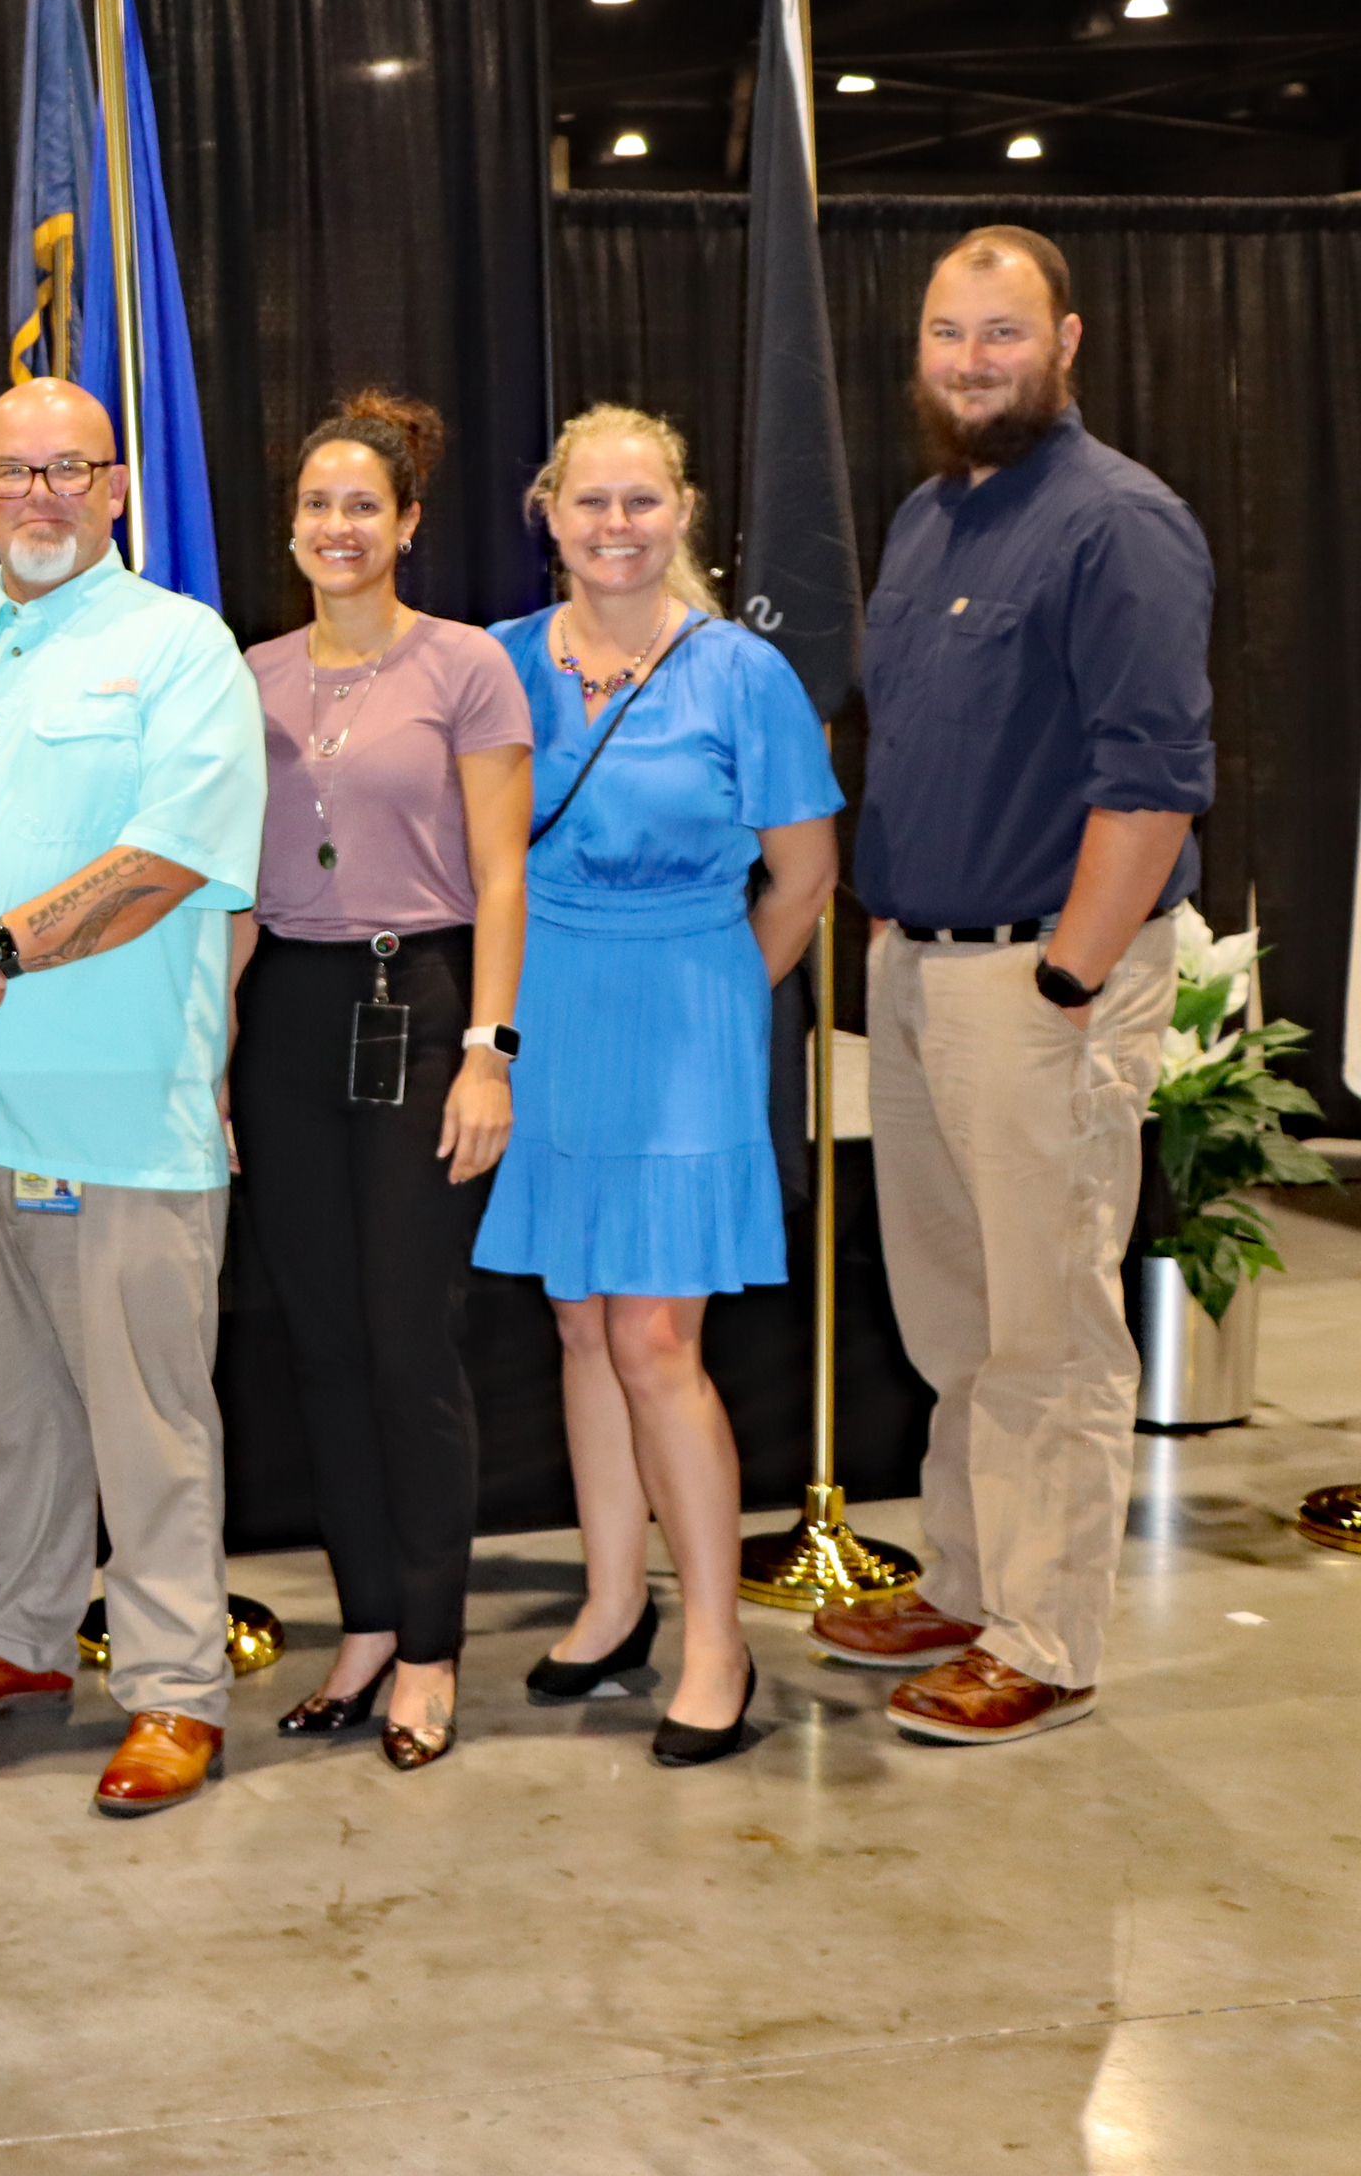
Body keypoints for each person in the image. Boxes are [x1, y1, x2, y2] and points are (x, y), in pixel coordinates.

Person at [0, 376, 264, 1821]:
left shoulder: (181, 650)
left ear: (117, 487)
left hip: (117, 1110)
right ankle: (19, 1638)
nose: (40, 496)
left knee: (145, 1410)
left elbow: (169, 859)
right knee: (9, 1395)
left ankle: (171, 1689)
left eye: (68, 470)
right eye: (12, 473)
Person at [814, 226, 1214, 1745]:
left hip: (1042, 978)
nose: (971, 363)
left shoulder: (1122, 525)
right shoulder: (929, 516)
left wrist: (1065, 979)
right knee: (957, 1317)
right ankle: (971, 1580)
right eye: (946, 335)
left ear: (1067, 342)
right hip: (921, 972)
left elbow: (1158, 779)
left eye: (1002, 335)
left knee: (1048, 1325)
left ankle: (1046, 1639)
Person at [472, 405, 840, 1769]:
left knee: (655, 1342)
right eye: (591, 503)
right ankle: (613, 1600)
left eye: (641, 502)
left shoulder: (743, 673)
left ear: (682, 511)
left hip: (688, 1010)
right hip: (550, 1012)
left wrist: (724, 1006)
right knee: (579, 1326)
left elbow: (803, 879)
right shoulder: (500, 664)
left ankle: (714, 1646)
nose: (616, 526)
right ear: (547, 512)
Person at [230, 392, 530, 1773]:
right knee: (325, 1345)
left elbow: (504, 871)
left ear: (407, 523)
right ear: (290, 529)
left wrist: (487, 1049)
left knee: (411, 1346)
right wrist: (213, 1053)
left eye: (364, 505)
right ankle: (360, 1627)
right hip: (289, 1009)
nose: (337, 528)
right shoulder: (251, 675)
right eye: (316, 507)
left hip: (423, 1009)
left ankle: (429, 1646)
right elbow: (234, 889)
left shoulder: (468, 668)